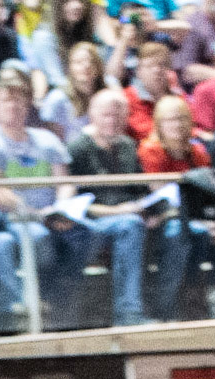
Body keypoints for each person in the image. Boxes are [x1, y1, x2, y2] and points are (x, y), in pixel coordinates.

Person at [0, 71, 93, 330]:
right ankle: (41, 304)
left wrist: (60, 207)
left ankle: (57, 299)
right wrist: (35, 212)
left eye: (19, 100)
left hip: (51, 213)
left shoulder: (47, 140)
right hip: (15, 217)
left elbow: (64, 182)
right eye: (6, 100)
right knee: (38, 238)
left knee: (86, 234)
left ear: (27, 105)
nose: (13, 106)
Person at [69, 87, 150, 326]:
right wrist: (120, 212)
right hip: (89, 224)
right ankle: (128, 313)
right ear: (93, 115)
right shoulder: (78, 149)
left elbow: (140, 190)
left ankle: (166, 309)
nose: (112, 121)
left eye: (118, 115)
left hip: (127, 217)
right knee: (131, 226)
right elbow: (75, 204)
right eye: (106, 115)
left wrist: (148, 208)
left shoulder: (128, 146)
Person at [139, 96, 213, 320]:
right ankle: (165, 306)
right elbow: (159, 192)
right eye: (171, 120)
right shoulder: (151, 150)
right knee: (177, 235)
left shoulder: (198, 153)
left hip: (192, 215)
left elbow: (207, 192)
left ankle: (201, 300)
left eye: (182, 119)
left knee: (211, 233)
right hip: (160, 217)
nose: (178, 125)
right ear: (159, 124)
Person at [39, 40, 105, 142]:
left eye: (91, 61)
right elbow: (52, 139)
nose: (86, 66)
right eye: (79, 62)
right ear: (70, 67)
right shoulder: (57, 98)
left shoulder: (107, 94)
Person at [123, 40, 180, 142]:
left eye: (162, 65)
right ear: (139, 71)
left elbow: (190, 126)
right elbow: (142, 131)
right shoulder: (127, 98)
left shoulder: (178, 97)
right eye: (150, 66)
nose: (157, 70)